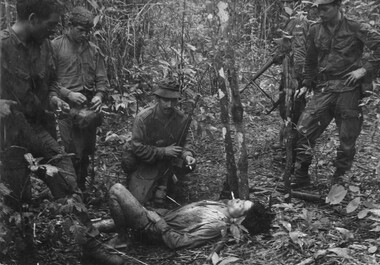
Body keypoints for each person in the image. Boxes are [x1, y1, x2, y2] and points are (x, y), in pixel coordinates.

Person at [0, 1, 127, 264]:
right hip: (8, 138)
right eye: (50, 25)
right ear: (33, 18)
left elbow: (51, 82)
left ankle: (90, 246)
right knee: (19, 200)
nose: (54, 31)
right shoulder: (2, 46)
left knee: (68, 183)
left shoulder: (44, 45)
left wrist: (55, 98)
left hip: (39, 130)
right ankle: (24, 255)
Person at [291, 0, 380, 188]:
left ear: (338, 6)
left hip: (349, 90)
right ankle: (301, 175)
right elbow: (311, 59)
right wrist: (306, 84)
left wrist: (363, 70)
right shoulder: (316, 30)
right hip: (325, 87)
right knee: (305, 129)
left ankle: (339, 179)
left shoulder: (355, 27)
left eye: (325, 9)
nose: (321, 13)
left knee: (347, 138)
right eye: (318, 10)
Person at [104, 183, 274, 250]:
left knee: (116, 190)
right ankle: (113, 232)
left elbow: (181, 242)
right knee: (99, 225)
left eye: (241, 205)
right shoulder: (221, 206)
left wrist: (158, 221)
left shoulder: (217, 224)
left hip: (151, 228)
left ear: (240, 220)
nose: (237, 200)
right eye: (242, 200)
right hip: (155, 216)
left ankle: (123, 238)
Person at [52, 6, 109, 191]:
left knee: (86, 151)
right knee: (71, 150)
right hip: (65, 107)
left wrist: (100, 96)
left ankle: (82, 186)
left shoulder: (94, 50)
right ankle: (71, 189)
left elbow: (102, 79)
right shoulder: (55, 46)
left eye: (88, 31)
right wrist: (68, 94)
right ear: (69, 26)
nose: (85, 35)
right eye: (81, 30)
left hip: (89, 108)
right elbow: (47, 81)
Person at [121, 79, 197, 205]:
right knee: (138, 202)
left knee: (186, 168)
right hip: (147, 162)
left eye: (173, 100)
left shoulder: (181, 119)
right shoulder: (143, 118)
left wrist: (187, 155)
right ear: (158, 99)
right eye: (165, 100)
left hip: (169, 163)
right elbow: (137, 147)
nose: (169, 105)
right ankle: (139, 180)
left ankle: (172, 184)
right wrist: (163, 151)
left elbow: (185, 142)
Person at [273, 0, 309, 151]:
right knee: (285, 109)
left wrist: (300, 80)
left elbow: (300, 53)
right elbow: (283, 47)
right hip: (288, 77)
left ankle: (293, 143)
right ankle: (285, 141)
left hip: (296, 79)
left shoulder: (300, 23)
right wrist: (279, 54)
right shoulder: (291, 23)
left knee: (294, 110)